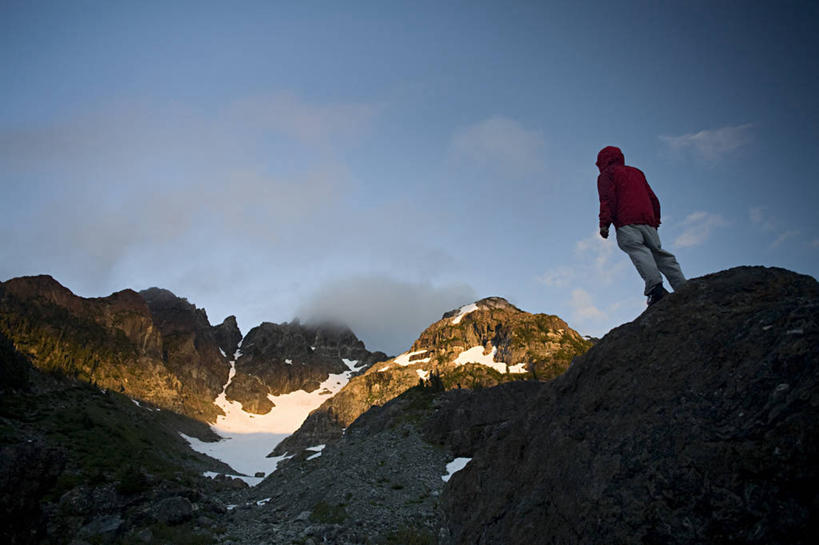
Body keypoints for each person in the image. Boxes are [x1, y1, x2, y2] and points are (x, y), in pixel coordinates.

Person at [596, 146, 686, 306]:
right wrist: (655, 220)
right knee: (658, 253)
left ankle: (656, 289)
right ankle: (682, 286)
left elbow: (607, 199)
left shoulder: (607, 175)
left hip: (626, 221)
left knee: (638, 250)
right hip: (648, 221)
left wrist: (605, 224)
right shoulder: (637, 172)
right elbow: (653, 198)